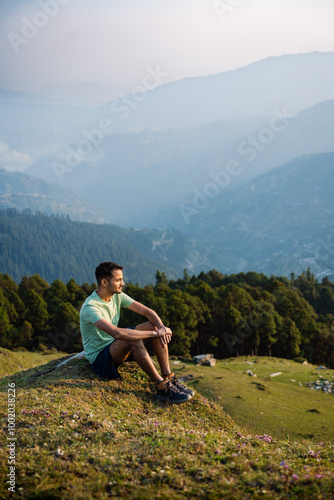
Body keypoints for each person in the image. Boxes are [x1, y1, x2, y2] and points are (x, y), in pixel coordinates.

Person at [80, 262, 194, 404]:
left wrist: (161, 328)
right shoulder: (90, 307)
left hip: (114, 346)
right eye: (118, 280)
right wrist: (156, 334)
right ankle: (162, 387)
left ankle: (168, 377)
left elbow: (148, 312)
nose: (123, 283)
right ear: (104, 282)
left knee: (153, 325)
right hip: (100, 359)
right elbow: (116, 333)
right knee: (133, 337)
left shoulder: (117, 296)